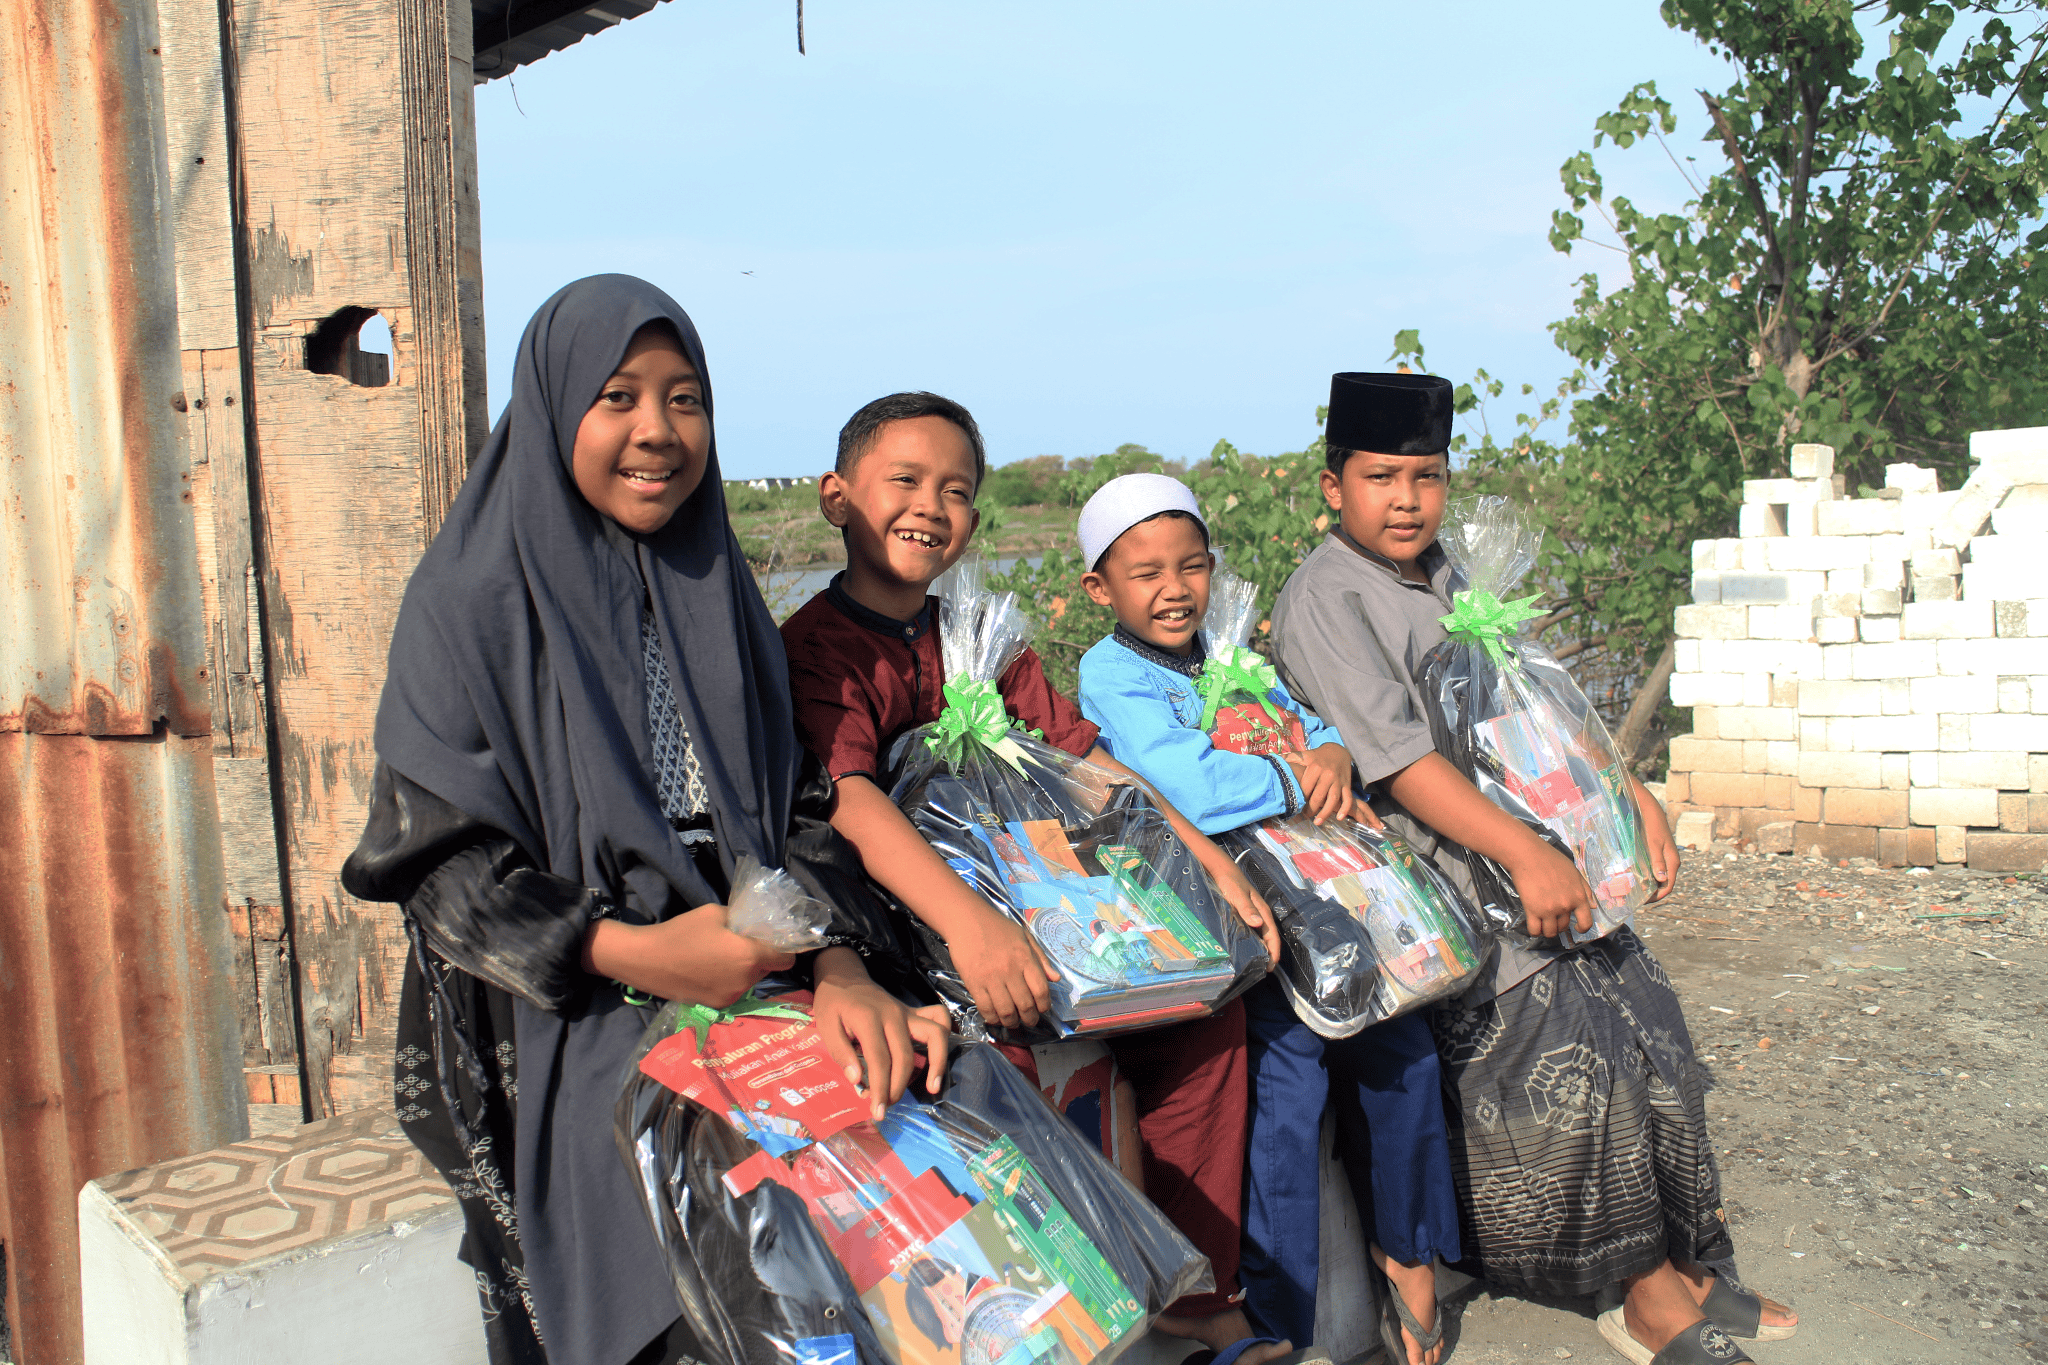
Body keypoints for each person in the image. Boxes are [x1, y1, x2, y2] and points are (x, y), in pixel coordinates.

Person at [340, 276, 948, 1365]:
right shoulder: (468, 602)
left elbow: (802, 808)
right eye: (618, 397)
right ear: (552, 405)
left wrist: (842, 967)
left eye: (685, 400)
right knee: (669, 1290)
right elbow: (435, 863)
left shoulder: (713, 586)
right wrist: (636, 952)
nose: (658, 433)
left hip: (755, 973)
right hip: (571, 1004)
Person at [1269, 372, 1799, 1365]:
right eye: (1378, 477)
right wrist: (1520, 849)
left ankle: (1687, 1264)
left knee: (1649, 1025)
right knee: (1575, 1043)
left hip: (1544, 853)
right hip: (1443, 885)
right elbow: (1400, 764)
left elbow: (1545, 697)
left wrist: (1627, 791)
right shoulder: (1323, 599)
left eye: (1423, 477)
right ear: (1332, 485)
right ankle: (1639, 1297)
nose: (1403, 499)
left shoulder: (1457, 575)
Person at [780, 392, 1290, 1365]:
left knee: (1206, 1015)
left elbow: (1088, 763)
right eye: (905, 481)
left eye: (958, 490)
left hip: (1041, 907)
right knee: (999, 1059)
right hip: (912, 939)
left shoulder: (980, 639)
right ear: (835, 498)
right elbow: (845, 797)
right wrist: (968, 924)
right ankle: (1075, 1318)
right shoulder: (818, 649)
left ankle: (1195, 1296)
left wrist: (1207, 862)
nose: (931, 506)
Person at [1072, 473, 1461, 1365]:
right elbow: (1187, 786)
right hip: (1238, 910)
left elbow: (1310, 723)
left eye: (1192, 565)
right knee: (1286, 1087)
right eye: (1145, 573)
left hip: (1319, 887)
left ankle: (1408, 1248)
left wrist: (1324, 744)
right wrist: (1297, 775)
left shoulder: (1231, 655)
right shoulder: (1110, 673)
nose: (1174, 589)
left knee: (1402, 1045)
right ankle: (1279, 1317)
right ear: (1101, 589)